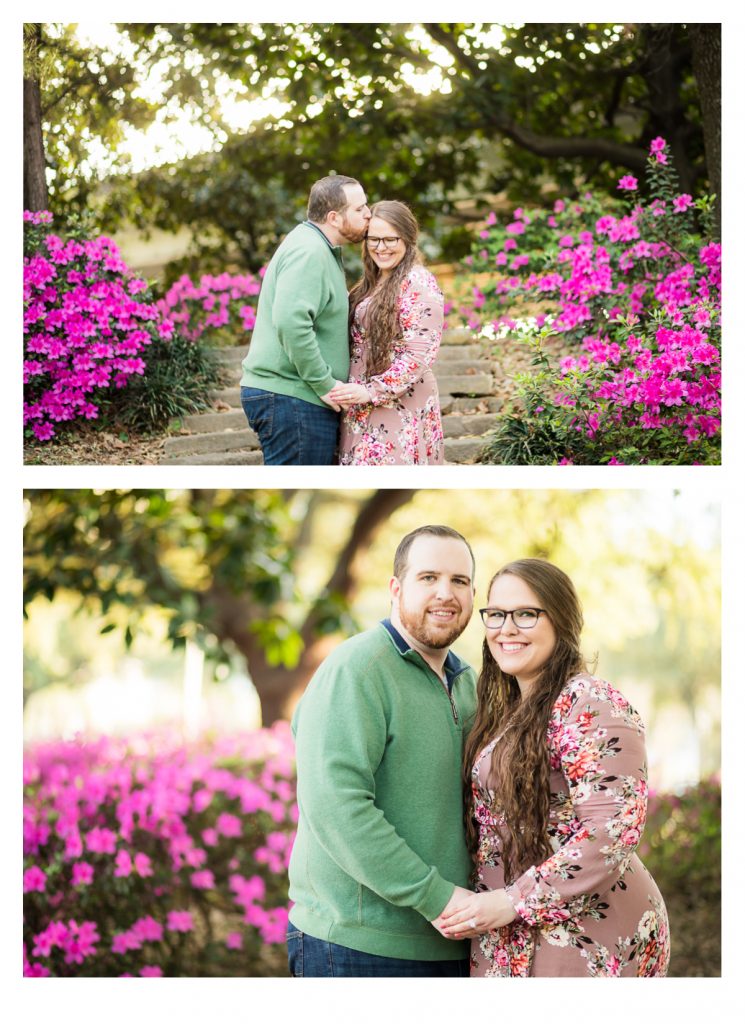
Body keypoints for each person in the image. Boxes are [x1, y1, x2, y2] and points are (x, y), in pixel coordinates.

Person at [437, 558, 671, 977]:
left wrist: (512, 901)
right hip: (508, 928)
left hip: (585, 930)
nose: (506, 628)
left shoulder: (590, 702)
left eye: (526, 613)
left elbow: (612, 829)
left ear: (560, 620)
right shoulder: (509, 709)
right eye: (496, 614)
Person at [287, 525, 479, 976]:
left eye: (460, 581)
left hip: (451, 942)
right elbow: (336, 805)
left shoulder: (468, 681)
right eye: (428, 578)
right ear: (396, 588)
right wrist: (436, 897)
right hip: (358, 946)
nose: (445, 594)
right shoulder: (357, 670)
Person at [240, 175, 371, 465]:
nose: (368, 214)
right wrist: (324, 384)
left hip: (295, 398)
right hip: (293, 399)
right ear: (335, 217)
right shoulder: (309, 251)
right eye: (360, 209)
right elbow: (290, 322)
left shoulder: (317, 247)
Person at [329, 201, 445, 465]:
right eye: (374, 239)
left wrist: (372, 391)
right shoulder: (370, 283)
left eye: (390, 239)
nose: (381, 247)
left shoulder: (418, 281)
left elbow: (419, 354)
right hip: (359, 403)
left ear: (408, 238)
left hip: (399, 403)